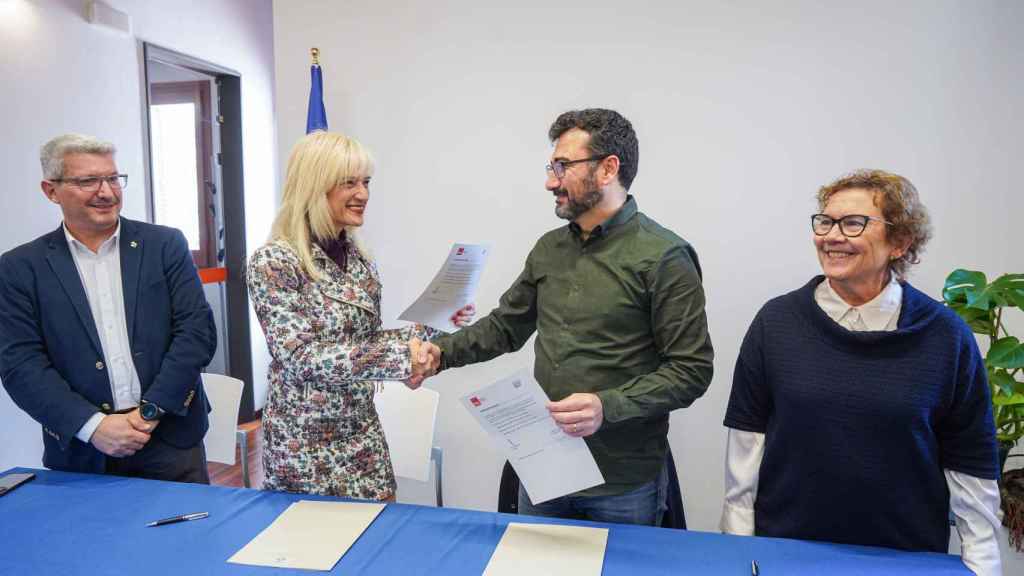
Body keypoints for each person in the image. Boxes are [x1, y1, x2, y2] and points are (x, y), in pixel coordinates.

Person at [417, 108, 714, 525]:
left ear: (609, 168)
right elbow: (505, 327)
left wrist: (605, 406)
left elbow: (691, 370)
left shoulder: (665, 257)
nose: (550, 181)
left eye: (563, 166)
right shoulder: (549, 249)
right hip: (544, 466)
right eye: (550, 166)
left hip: (622, 481)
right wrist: (438, 354)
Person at [720, 170, 1001, 574]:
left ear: (900, 242)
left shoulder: (945, 336)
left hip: (904, 556)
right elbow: (747, 444)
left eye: (853, 223)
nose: (832, 236)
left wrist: (983, 565)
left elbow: (969, 459)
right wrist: (737, 549)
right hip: (786, 549)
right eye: (825, 221)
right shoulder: (776, 322)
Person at [246, 131, 473, 500]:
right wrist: (401, 359)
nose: (363, 194)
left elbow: (363, 342)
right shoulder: (274, 261)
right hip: (305, 446)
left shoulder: (359, 258)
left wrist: (434, 321)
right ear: (314, 187)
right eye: (349, 183)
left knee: (379, 543)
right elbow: (301, 357)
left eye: (365, 182)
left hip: (361, 435)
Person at [0, 133, 217, 483]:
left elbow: (196, 332)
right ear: (50, 190)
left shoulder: (164, 245)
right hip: (82, 449)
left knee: (186, 536)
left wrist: (149, 413)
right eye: (88, 181)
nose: (106, 191)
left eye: (113, 178)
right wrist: (94, 426)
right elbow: (21, 365)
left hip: (171, 439)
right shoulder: (19, 268)